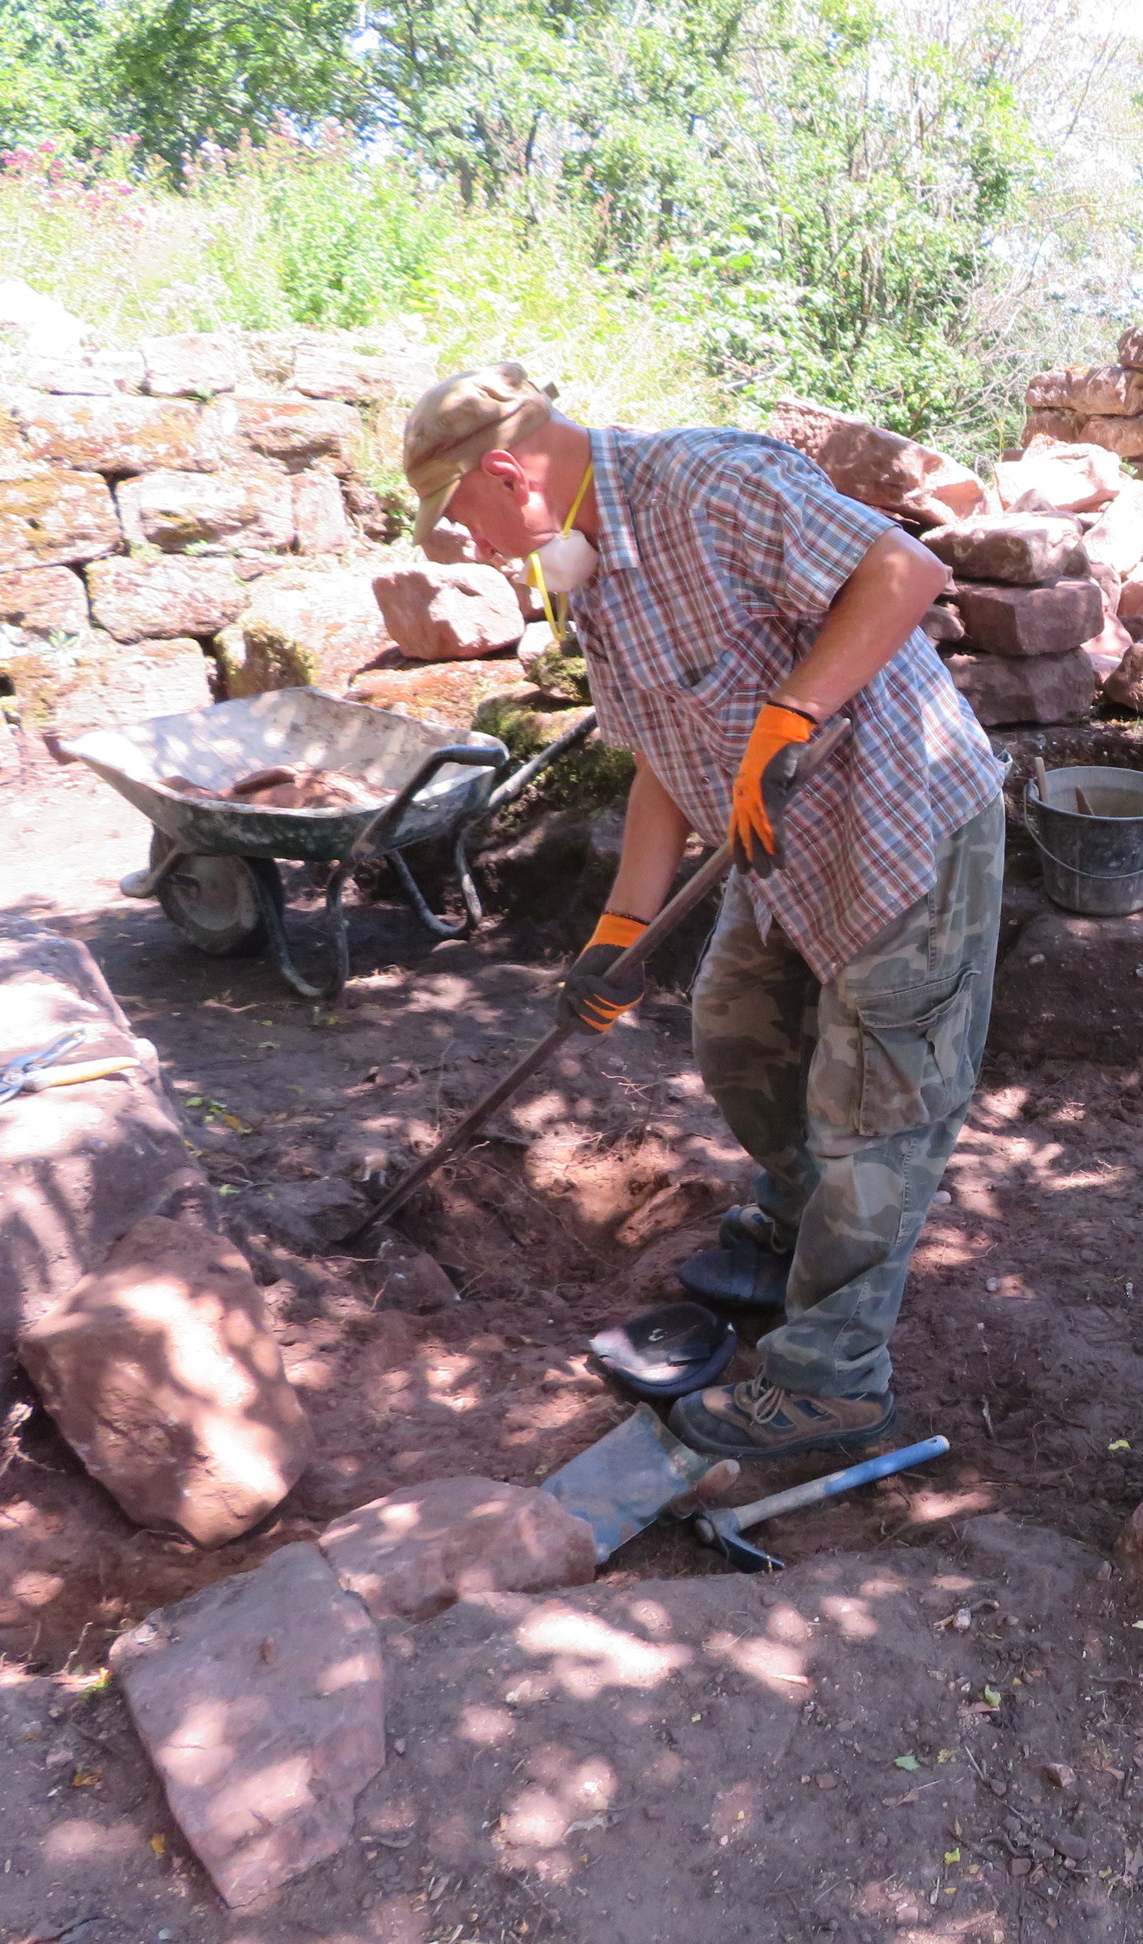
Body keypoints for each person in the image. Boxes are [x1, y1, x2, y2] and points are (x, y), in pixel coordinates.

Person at [402, 363, 1003, 1461]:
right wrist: (620, 932)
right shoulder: (587, 566)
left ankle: (832, 1384)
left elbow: (906, 570)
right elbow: (661, 758)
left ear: (507, 471)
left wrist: (792, 710)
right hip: (781, 853)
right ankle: (795, 1231)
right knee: (735, 1036)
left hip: (901, 829)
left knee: (876, 1117)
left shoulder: (706, 485)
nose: (472, 546)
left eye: (462, 517)